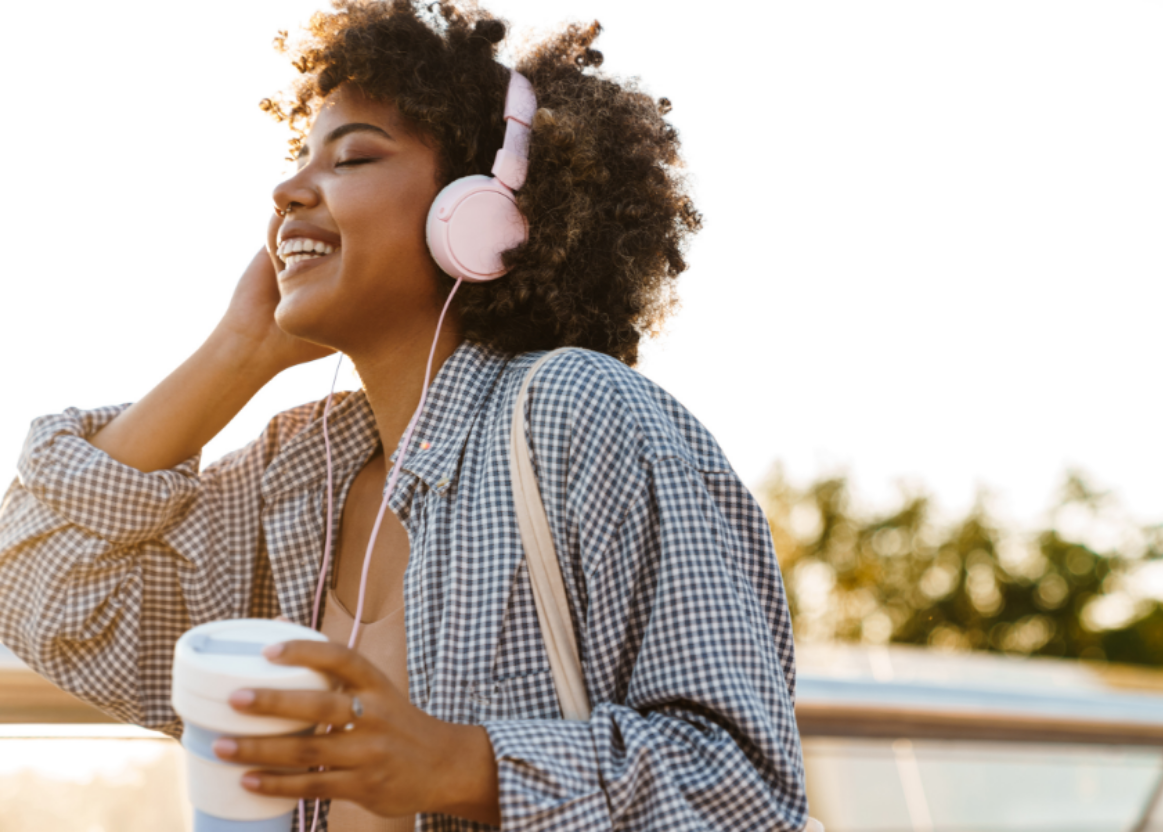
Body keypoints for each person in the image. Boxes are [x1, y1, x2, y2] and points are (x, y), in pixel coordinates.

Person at [0, 1, 810, 829]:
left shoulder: (580, 414)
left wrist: (461, 768)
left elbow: (744, 789)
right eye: (297, 159)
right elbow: (43, 592)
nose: (286, 189)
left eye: (350, 158)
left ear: (477, 215)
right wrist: (236, 352)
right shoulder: (298, 471)